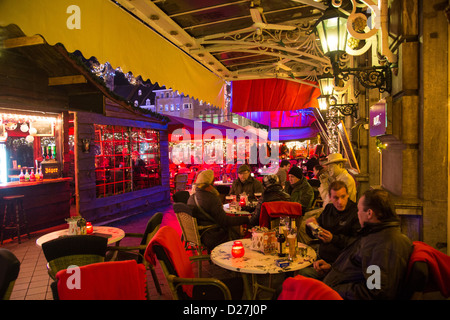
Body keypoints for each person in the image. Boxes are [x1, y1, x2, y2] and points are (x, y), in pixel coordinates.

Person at [313, 188, 413, 300]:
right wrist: (332, 268)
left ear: (369, 213)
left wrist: (334, 289)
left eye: (359, 210)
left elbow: (374, 292)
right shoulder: (375, 234)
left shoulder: (381, 247)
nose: (357, 213)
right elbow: (359, 268)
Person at [298, 181, 360, 279]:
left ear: (348, 195)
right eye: (336, 198)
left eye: (343, 196)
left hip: (339, 264)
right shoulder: (328, 209)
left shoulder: (356, 212)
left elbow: (356, 243)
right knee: (296, 267)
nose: (340, 202)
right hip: (321, 256)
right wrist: (311, 226)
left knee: (302, 274)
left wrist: (333, 238)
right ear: (330, 198)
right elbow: (316, 235)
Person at [187, 170, 250, 251]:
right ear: (210, 183)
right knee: (236, 230)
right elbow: (224, 221)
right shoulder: (211, 198)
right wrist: (246, 219)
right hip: (212, 235)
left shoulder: (192, 197)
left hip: (199, 233)